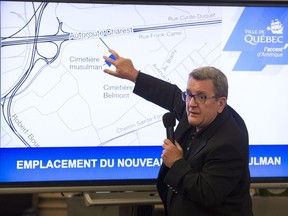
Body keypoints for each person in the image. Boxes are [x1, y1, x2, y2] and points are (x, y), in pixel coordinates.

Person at [103, 49, 253, 216]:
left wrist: (176, 163)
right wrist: (134, 75)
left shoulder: (229, 142)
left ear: (220, 103)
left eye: (201, 96)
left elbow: (207, 193)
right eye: (189, 94)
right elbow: (171, 95)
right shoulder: (197, 111)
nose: (191, 104)